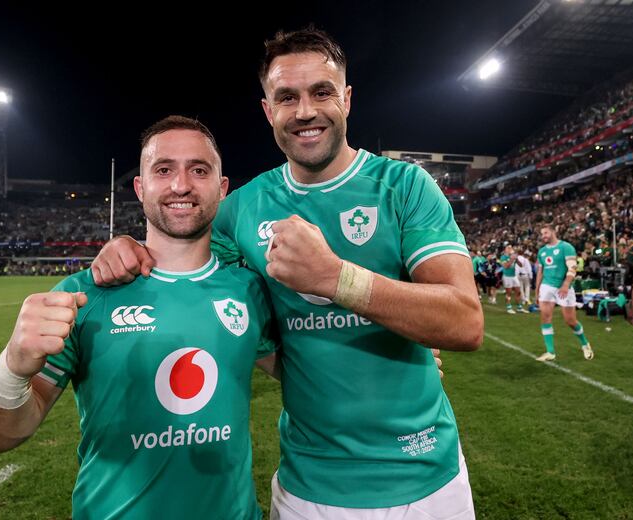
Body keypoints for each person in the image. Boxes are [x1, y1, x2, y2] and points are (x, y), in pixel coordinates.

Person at [90, 27, 481, 520]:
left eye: (322, 92)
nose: (305, 111)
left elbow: (465, 322)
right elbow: (177, 256)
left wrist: (336, 278)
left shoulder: (403, 186)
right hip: (310, 491)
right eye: (287, 97)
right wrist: (126, 245)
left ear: (347, 99)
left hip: (428, 480)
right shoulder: (240, 209)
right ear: (267, 110)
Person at [0, 117, 279, 519]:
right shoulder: (84, 294)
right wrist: (12, 367)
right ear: (140, 187)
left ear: (221, 189)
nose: (181, 185)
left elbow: (307, 378)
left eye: (198, 170)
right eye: (163, 169)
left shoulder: (248, 289)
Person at [534, 224, 594, 362]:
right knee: (545, 317)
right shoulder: (542, 251)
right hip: (546, 287)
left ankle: (585, 344)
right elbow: (540, 272)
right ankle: (550, 352)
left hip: (563, 287)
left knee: (570, 321)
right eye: (542, 234)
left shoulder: (566, 247)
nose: (543, 236)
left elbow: (572, 268)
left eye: (546, 233)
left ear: (554, 232)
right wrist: (537, 291)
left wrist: (566, 284)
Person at [500, 245, 527, 313]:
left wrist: (516, 259)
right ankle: (509, 308)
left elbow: (521, 265)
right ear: (505, 250)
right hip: (507, 276)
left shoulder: (513, 256)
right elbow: (506, 266)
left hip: (514, 276)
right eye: (508, 248)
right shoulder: (503, 257)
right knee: (508, 293)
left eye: (511, 248)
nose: (510, 249)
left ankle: (519, 307)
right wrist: (512, 259)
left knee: (518, 292)